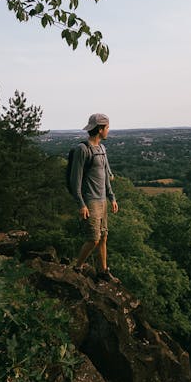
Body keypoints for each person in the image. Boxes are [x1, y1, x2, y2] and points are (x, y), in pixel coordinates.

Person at [70, 113, 119, 281]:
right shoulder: (82, 150)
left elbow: (105, 175)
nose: (108, 131)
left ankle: (103, 272)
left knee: (104, 236)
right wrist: (81, 204)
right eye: (107, 128)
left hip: (103, 200)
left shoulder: (102, 149)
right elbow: (74, 180)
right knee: (93, 239)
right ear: (100, 129)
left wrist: (112, 198)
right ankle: (77, 268)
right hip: (90, 201)